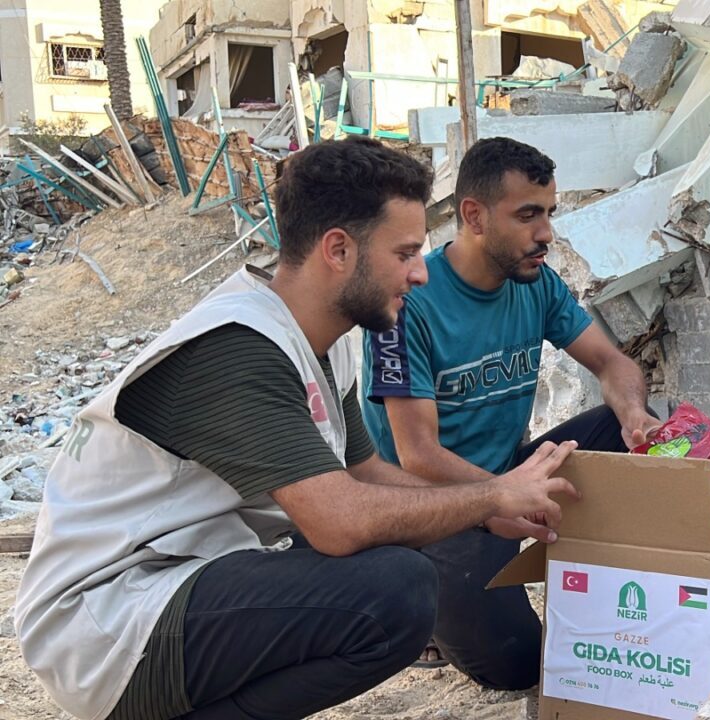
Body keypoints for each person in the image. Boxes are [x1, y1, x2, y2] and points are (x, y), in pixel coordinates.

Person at [14, 138, 580, 720]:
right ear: (338, 249)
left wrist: (486, 510)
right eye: (406, 253)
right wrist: (492, 492)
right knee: (395, 590)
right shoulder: (238, 346)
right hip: (107, 621)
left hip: (181, 580)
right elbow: (340, 522)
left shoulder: (317, 340)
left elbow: (367, 474)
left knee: (394, 564)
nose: (420, 275)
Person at [361, 136, 661, 691]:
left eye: (548, 214)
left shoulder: (537, 282)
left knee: (633, 439)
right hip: (433, 506)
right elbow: (418, 455)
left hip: (507, 475)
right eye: (528, 215)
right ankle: (428, 611)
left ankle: (636, 588)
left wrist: (635, 414)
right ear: (473, 215)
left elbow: (612, 363)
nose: (545, 233)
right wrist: (502, 496)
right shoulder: (408, 306)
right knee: (520, 665)